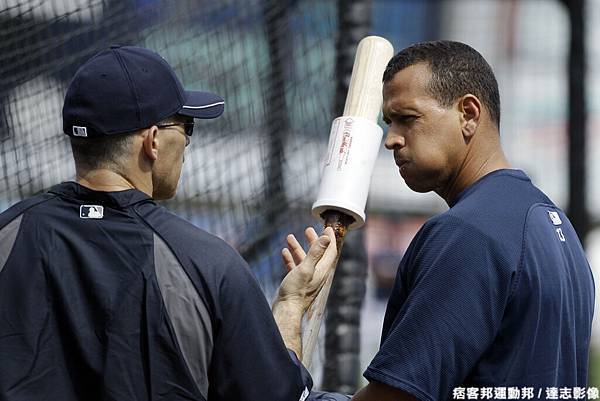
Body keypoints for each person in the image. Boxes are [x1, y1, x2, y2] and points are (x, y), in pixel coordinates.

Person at [0, 45, 339, 401]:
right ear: (153, 141)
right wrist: (290, 305)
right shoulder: (206, 264)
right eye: (185, 125)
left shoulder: (7, 235)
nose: (188, 141)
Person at [279, 40, 595, 401]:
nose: (391, 140)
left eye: (407, 119)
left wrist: (291, 316)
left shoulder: (468, 233)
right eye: (389, 122)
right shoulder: (555, 225)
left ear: (469, 114)